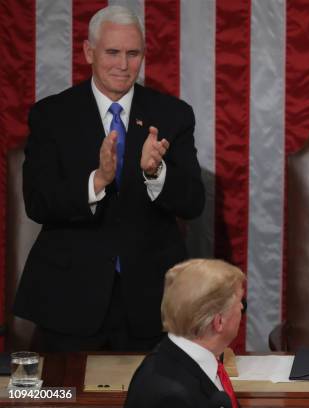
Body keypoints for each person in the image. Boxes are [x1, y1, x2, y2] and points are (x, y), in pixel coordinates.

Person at [14, 5, 205, 351]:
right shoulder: (51, 115)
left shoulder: (172, 114)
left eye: (133, 54)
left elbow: (193, 201)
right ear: (89, 52)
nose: (123, 64)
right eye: (112, 52)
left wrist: (156, 173)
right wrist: (97, 181)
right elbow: (38, 201)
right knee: (64, 402)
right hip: (70, 299)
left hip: (152, 300)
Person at [125, 259, 244, 408]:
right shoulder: (170, 397)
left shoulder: (192, 361)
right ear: (218, 322)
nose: (241, 307)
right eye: (240, 302)